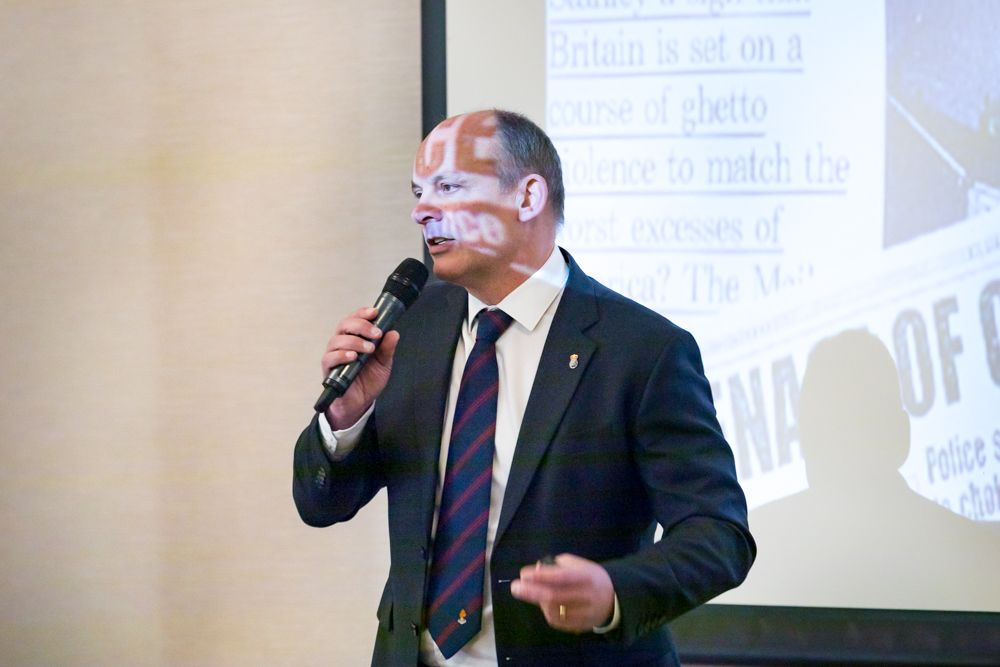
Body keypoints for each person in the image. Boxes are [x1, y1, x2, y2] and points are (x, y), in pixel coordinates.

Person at [293, 109, 754, 666]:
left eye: (449, 187)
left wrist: (615, 591)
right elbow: (321, 504)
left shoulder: (642, 349)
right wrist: (345, 417)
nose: (422, 210)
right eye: (419, 192)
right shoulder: (408, 328)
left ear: (528, 196)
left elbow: (719, 534)